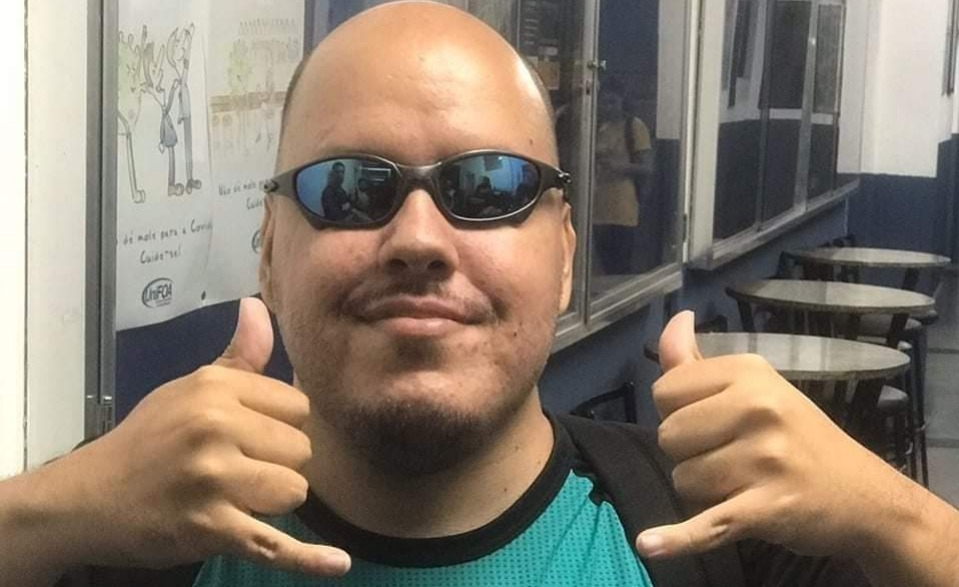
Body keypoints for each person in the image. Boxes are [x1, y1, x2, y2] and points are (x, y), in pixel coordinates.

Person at [2, 3, 959, 586]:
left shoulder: (724, 534)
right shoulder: (135, 536)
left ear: (564, 255)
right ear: (268, 251)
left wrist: (899, 518)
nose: (419, 240)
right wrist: (43, 513)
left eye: (489, 186)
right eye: (349, 188)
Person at [593, 78, 654, 275]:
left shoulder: (634, 126)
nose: (608, 108)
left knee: (620, 265)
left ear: (623, 102)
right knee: (604, 262)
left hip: (623, 208)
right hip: (597, 207)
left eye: (613, 102)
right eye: (604, 102)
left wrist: (621, 167)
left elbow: (647, 168)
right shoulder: (597, 127)